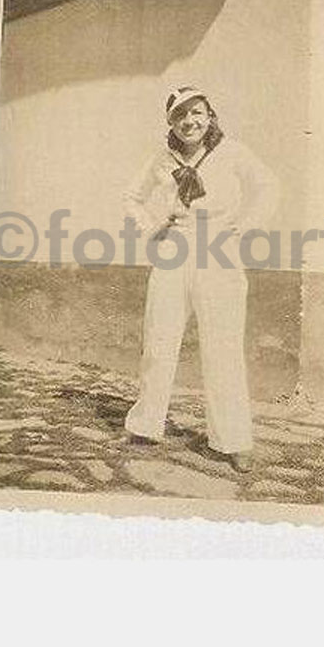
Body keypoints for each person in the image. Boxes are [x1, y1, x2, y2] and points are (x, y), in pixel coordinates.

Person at [122, 86, 279, 472]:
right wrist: (153, 227)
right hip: (173, 250)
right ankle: (145, 427)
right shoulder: (162, 158)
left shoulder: (232, 152)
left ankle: (232, 440)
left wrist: (245, 226)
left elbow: (268, 187)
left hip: (219, 252)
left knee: (222, 347)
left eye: (196, 112)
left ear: (210, 116)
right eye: (180, 115)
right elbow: (132, 197)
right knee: (159, 341)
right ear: (171, 123)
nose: (189, 121)